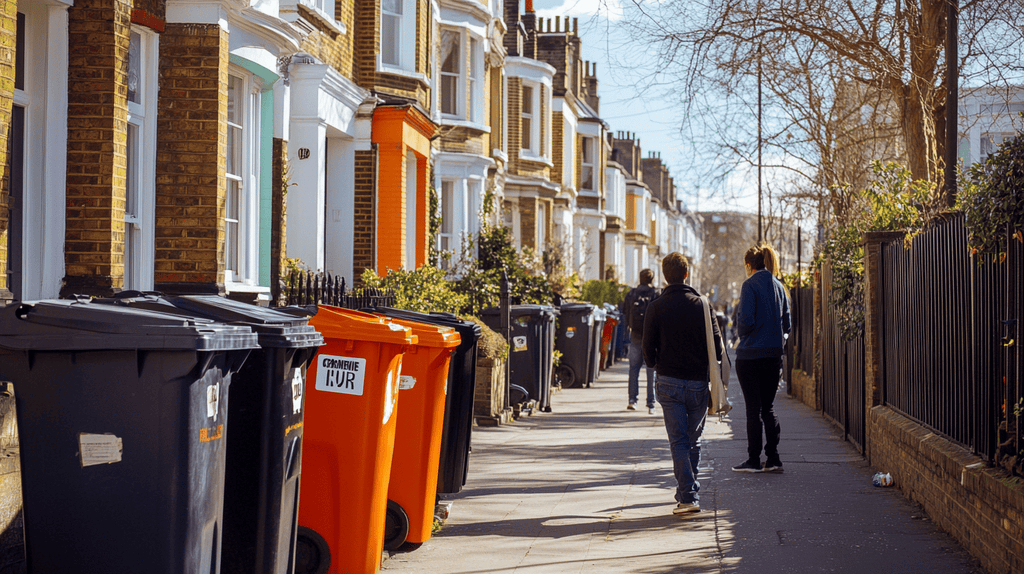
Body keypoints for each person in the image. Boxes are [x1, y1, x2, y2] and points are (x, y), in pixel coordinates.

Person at [643, 252, 723, 515]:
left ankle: (687, 496)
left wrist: (658, 361)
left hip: (668, 381)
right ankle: (688, 494)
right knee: (693, 441)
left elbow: (647, 353)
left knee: (678, 441)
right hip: (698, 383)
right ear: (687, 274)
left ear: (665, 276)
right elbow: (719, 349)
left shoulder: (655, 307)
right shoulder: (703, 305)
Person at [731, 243, 792, 474]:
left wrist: (743, 332)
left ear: (749, 265)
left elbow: (745, 322)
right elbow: (787, 324)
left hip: (751, 356)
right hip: (773, 355)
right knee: (768, 408)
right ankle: (774, 458)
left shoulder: (749, 285)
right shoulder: (779, 286)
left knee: (753, 409)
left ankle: (754, 459)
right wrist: (777, 340)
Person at [620, 268, 659, 413]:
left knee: (633, 369)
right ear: (651, 279)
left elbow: (625, 313)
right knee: (651, 371)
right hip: (651, 339)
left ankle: (632, 400)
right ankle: (651, 404)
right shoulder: (656, 294)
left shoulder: (631, 293)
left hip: (635, 336)